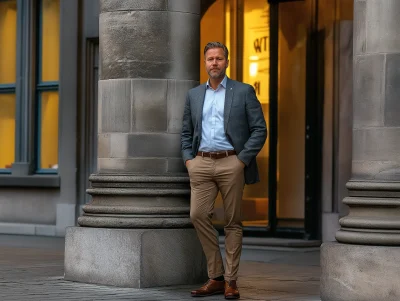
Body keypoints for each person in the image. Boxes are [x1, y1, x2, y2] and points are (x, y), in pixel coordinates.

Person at [181, 41, 267, 299]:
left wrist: (241, 161)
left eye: (219, 58)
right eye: (210, 59)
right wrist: (189, 159)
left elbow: (259, 129)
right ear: (205, 63)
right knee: (197, 215)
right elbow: (186, 131)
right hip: (202, 163)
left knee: (232, 222)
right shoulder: (195, 95)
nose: (214, 63)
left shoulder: (243, 92)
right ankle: (216, 276)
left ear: (227, 62)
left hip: (232, 162)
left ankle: (230, 281)